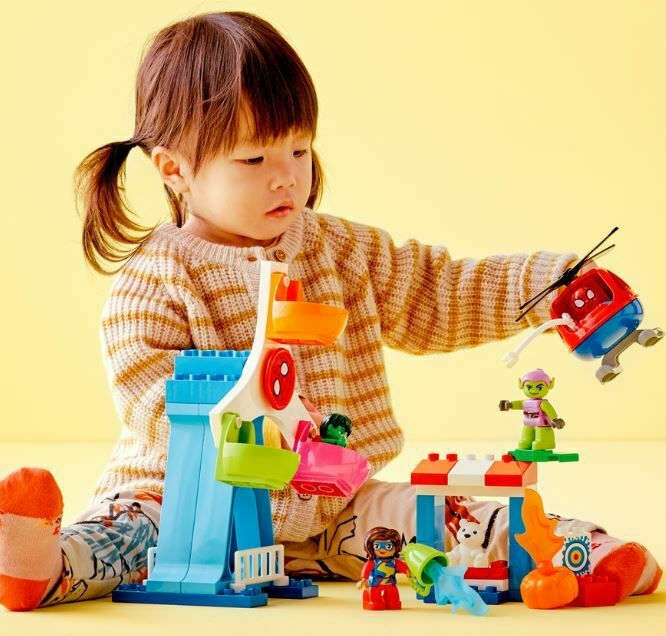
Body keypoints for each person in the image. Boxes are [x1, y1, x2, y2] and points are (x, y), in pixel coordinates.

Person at [0, 11, 659, 611]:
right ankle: (43, 562)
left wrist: (550, 284)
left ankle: (576, 553)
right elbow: (148, 395)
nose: (287, 175)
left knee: (443, 515)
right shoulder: (158, 277)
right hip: (191, 501)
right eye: (254, 158)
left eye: (299, 149)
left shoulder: (340, 250)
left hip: (332, 506)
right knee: (131, 535)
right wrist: (256, 433)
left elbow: (439, 294)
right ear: (174, 169)